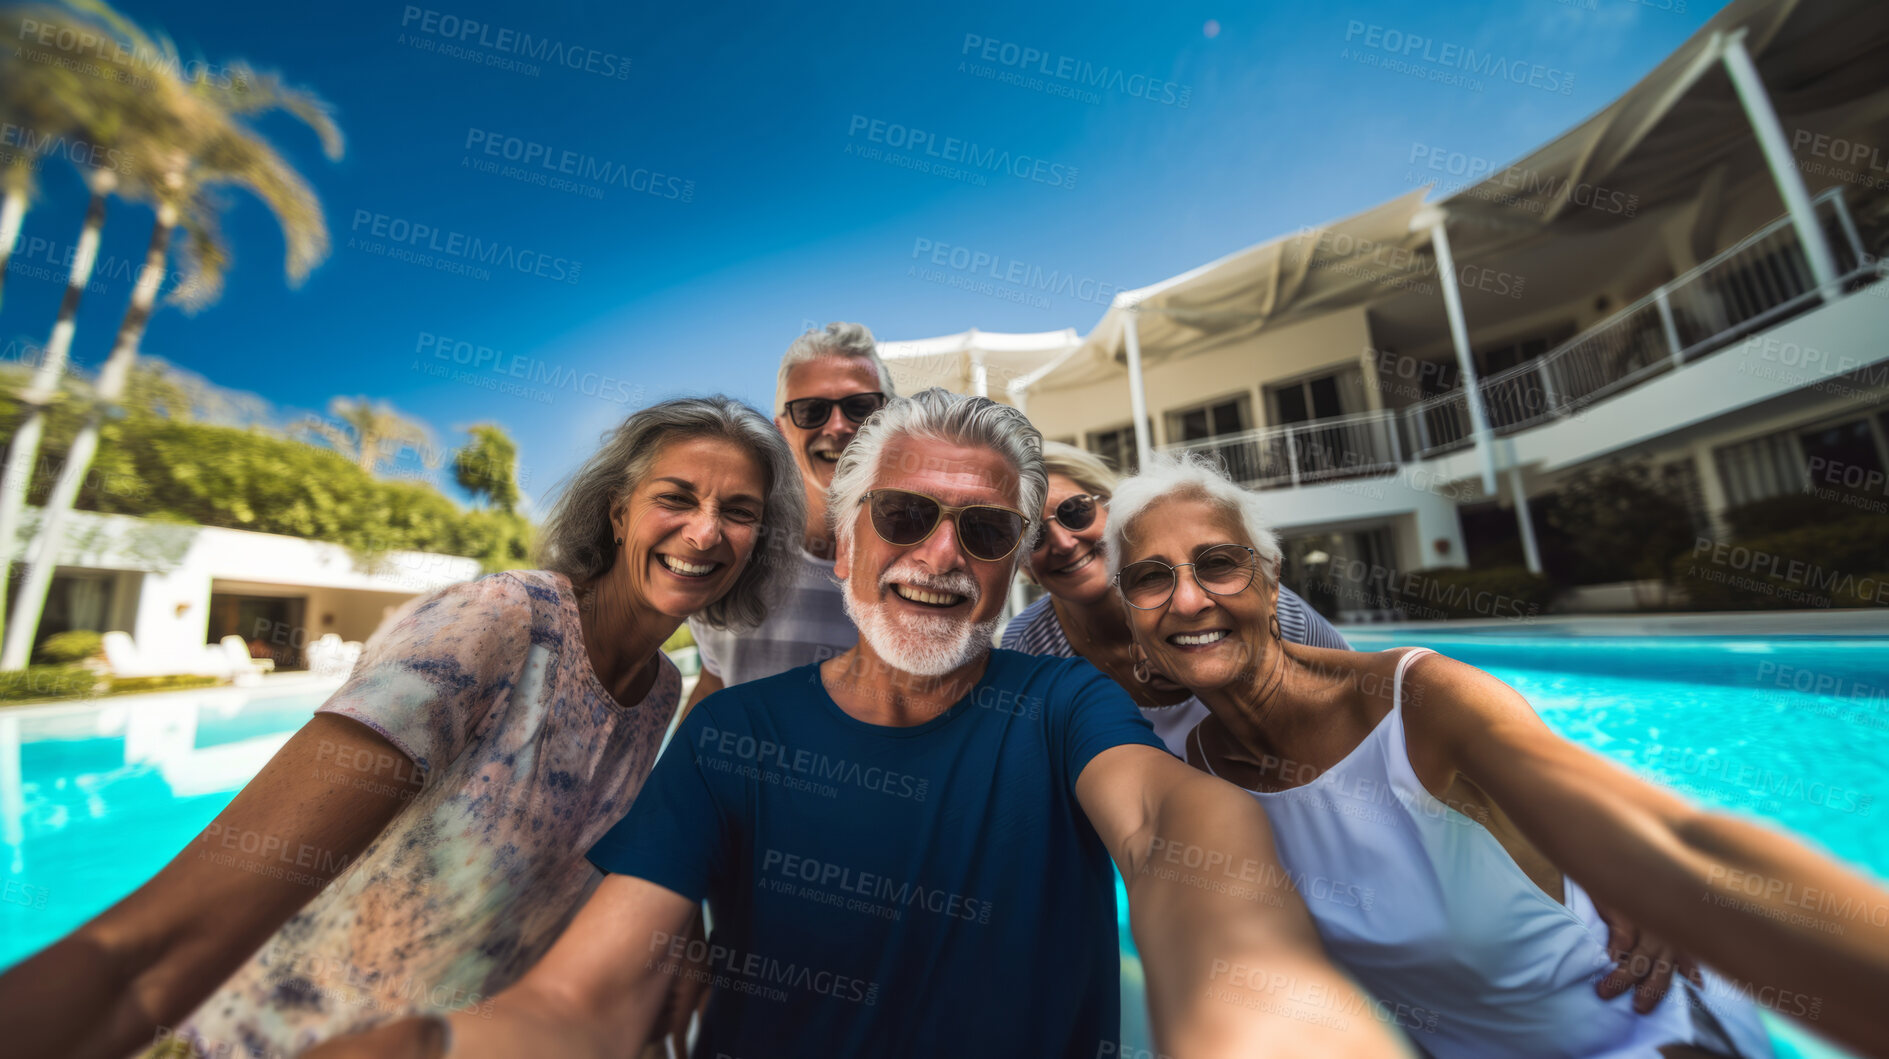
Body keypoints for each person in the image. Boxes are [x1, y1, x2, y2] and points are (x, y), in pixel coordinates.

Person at [306, 389, 1409, 1059]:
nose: (940, 557)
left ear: (1004, 569)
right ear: (841, 548)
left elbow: (1177, 828)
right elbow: (584, 998)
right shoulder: (732, 733)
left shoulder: (1063, 703)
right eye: (902, 516)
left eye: (982, 532)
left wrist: (1259, 1009)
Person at [0, 397, 805, 1059]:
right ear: (618, 511)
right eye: (677, 497)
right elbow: (159, 940)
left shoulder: (661, 688)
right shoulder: (498, 625)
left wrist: (678, 937)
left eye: (738, 513)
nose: (706, 532)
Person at [1103, 453, 1889, 1059]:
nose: (1188, 599)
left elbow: (1676, 843)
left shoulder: (1422, 702)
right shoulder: (1179, 772)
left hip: (1636, 1026)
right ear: (1133, 625)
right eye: (1149, 578)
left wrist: (1649, 885)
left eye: (1217, 562)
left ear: (1271, 584)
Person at [1002, 440, 1349, 756]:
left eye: (1074, 512)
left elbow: (1350, 702)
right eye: (1033, 535)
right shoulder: (1028, 647)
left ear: (1113, 511)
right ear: (1022, 564)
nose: (1063, 542)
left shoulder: (1248, 600)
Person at [679, 321, 894, 715]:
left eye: (860, 406)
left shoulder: (927, 561)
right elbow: (715, 683)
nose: (839, 426)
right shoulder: (733, 555)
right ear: (781, 431)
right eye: (812, 410)